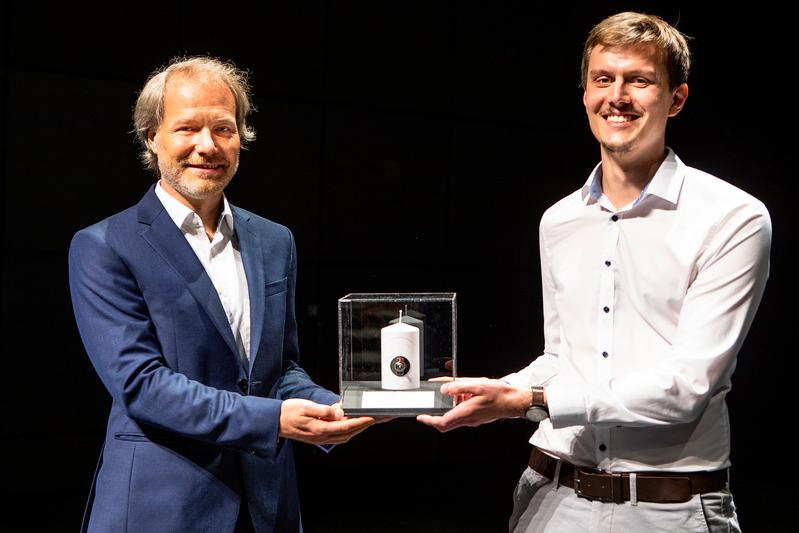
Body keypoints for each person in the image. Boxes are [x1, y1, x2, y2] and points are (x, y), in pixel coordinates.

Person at [418, 11, 770, 533]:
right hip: (549, 497)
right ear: (584, 93)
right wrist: (497, 393)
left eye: (639, 80)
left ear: (676, 98)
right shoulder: (559, 220)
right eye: (603, 79)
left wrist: (531, 402)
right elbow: (562, 359)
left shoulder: (732, 216)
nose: (618, 96)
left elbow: (687, 386)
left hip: (667, 510)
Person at [68, 55, 377, 533]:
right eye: (187, 128)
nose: (207, 146)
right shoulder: (105, 245)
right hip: (160, 507)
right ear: (152, 136)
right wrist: (274, 419)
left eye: (224, 129)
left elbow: (279, 368)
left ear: (241, 137)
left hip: (267, 506)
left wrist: (336, 406)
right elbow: (141, 385)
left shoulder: (275, 240)